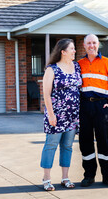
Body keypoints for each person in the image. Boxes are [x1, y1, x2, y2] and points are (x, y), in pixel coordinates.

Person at [78, 34, 108, 187]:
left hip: (101, 106)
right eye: (88, 43)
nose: (91, 46)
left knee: (103, 141)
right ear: (84, 45)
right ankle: (89, 175)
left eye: (94, 43)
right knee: (85, 142)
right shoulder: (79, 64)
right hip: (84, 107)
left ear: (98, 45)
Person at [40, 38, 82, 191]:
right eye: (72, 49)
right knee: (51, 145)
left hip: (72, 116)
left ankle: (65, 177)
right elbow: (46, 93)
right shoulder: (52, 69)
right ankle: (47, 178)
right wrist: (51, 115)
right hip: (56, 115)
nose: (74, 51)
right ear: (63, 52)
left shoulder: (76, 66)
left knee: (67, 146)